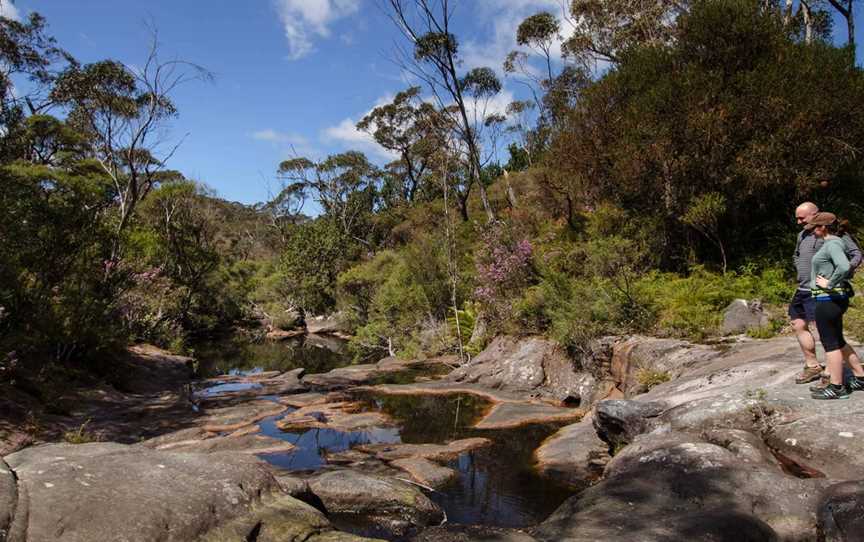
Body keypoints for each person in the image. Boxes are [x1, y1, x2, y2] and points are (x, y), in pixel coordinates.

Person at [790, 203, 862, 384]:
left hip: (824, 291)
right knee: (798, 324)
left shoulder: (835, 235)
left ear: (815, 215)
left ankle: (831, 373)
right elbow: (797, 255)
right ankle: (813, 366)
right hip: (803, 287)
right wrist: (799, 267)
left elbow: (855, 255)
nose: (798, 222)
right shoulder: (803, 234)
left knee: (828, 334)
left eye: (802, 218)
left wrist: (840, 276)